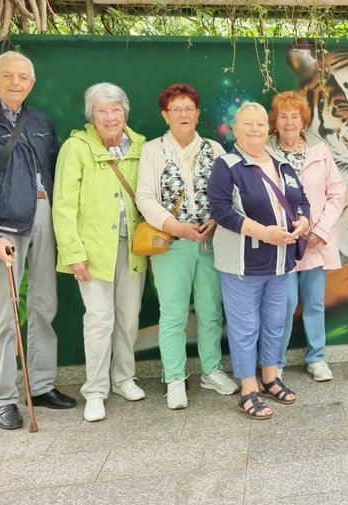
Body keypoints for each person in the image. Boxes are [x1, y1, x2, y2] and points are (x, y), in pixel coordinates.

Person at [0, 51, 76, 430]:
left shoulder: (42, 121)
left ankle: (39, 385)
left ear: (32, 83)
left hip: (44, 217)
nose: (15, 82)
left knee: (45, 304)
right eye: (7, 76)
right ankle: (4, 397)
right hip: (2, 226)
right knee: (4, 312)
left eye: (23, 77)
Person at [136, 83, 237, 409]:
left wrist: (218, 220)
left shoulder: (215, 149)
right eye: (176, 109)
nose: (183, 114)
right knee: (173, 315)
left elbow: (229, 193)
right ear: (165, 115)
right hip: (172, 245)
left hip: (211, 243)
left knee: (210, 312)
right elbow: (145, 197)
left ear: (197, 113)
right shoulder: (154, 150)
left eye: (188, 108)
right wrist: (174, 225)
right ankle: (175, 379)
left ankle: (211, 370)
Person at [208, 102, 310, 420]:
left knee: (275, 323)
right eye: (247, 124)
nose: (255, 129)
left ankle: (270, 377)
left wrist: (304, 221)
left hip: (279, 262)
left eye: (260, 124)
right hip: (242, 264)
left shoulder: (282, 164)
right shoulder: (227, 165)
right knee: (245, 327)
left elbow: (301, 200)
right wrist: (263, 233)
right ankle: (248, 388)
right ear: (235, 129)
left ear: (270, 129)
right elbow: (221, 210)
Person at [52, 82, 147, 423]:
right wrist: (73, 252)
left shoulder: (140, 145)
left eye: (116, 110)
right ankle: (95, 390)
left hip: (132, 248)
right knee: (98, 320)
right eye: (102, 111)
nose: (110, 117)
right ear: (91, 115)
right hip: (92, 251)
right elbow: (62, 206)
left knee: (129, 316)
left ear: (125, 112)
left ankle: (123, 378)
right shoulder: (75, 148)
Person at [268, 91, 345, 382]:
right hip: (281, 243)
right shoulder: (264, 152)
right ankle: (275, 362)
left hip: (314, 242)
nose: (289, 122)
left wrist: (320, 231)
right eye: (283, 116)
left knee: (313, 302)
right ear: (274, 121)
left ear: (304, 120)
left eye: (295, 116)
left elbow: (337, 192)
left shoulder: (320, 150)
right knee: (283, 304)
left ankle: (317, 359)